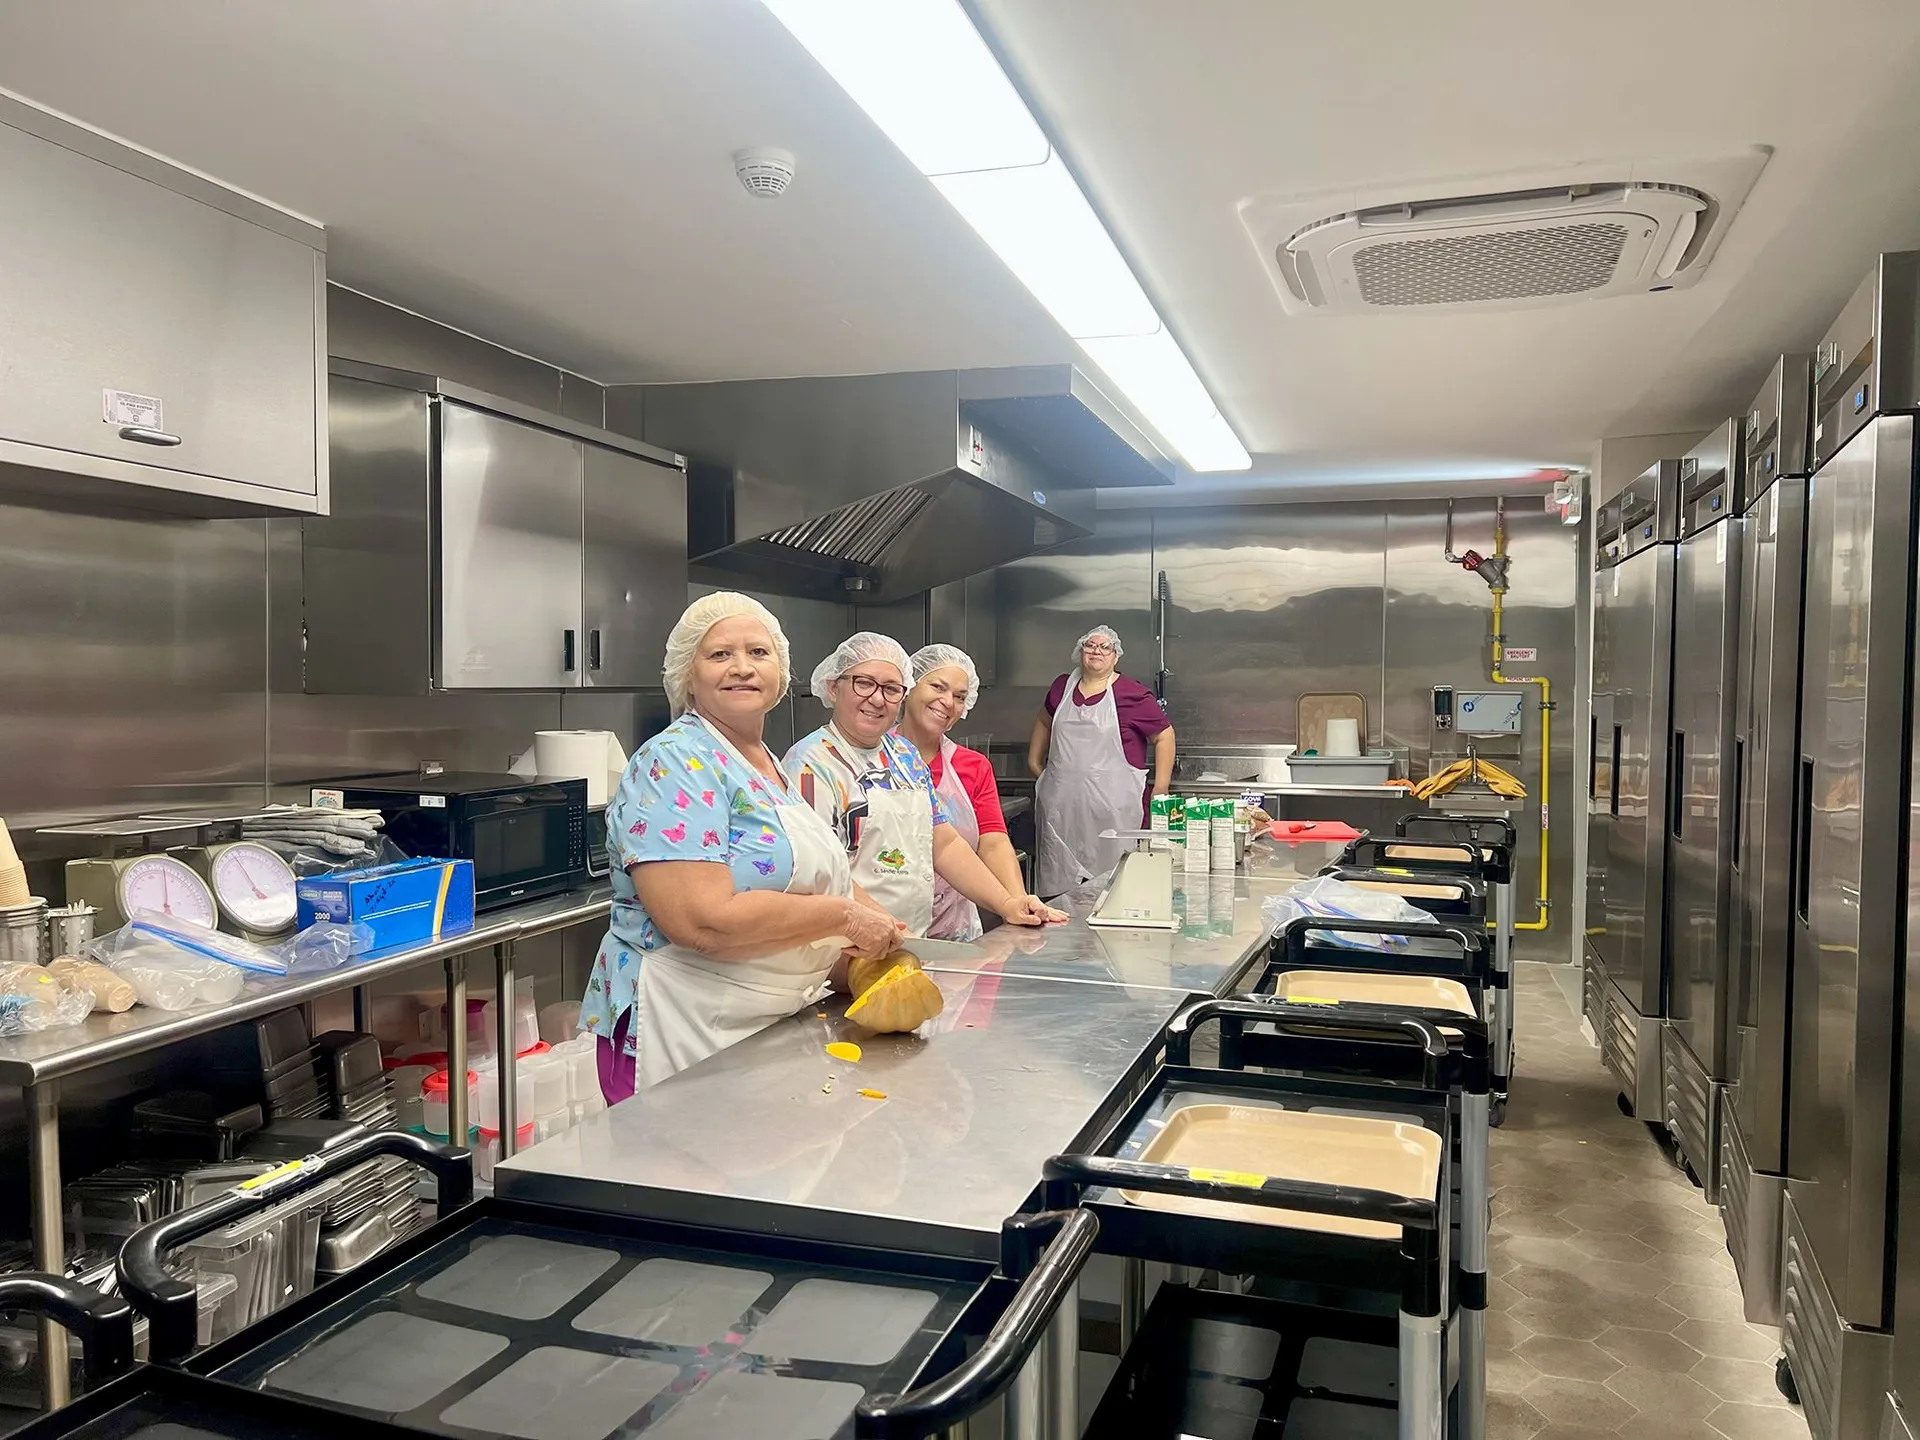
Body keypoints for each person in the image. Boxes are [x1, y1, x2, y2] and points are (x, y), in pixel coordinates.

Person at [579, 593, 903, 1099]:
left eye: (758, 652)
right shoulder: (675, 761)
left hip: (758, 1017)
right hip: (680, 1023)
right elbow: (700, 919)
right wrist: (843, 920)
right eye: (720, 655)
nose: (742, 668)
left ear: (782, 671)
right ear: (689, 673)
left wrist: (883, 929)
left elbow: (809, 875)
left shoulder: (763, 761)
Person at [786, 632, 1063, 938]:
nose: (877, 699)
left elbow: (943, 843)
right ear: (833, 687)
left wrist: (1008, 903)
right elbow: (820, 870)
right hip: (849, 946)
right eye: (863, 683)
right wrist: (880, 924)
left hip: (908, 941)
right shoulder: (811, 764)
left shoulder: (904, 757)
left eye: (891, 689)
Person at [897, 643, 1059, 940]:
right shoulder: (874, 762)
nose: (948, 702)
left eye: (959, 696)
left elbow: (993, 842)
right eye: (937, 686)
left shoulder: (973, 766)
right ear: (909, 687)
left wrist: (1016, 900)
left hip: (955, 933)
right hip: (885, 933)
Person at [1029, 624, 1175, 897]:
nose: (1097, 651)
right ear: (1080, 652)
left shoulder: (1132, 694)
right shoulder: (1061, 687)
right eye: (1090, 645)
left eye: (1105, 647)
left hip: (1115, 815)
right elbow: (1043, 719)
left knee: (1115, 890)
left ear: (1115, 656)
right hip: (1062, 814)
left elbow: (1164, 735)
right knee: (1059, 894)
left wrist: (1161, 787)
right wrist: (1034, 762)